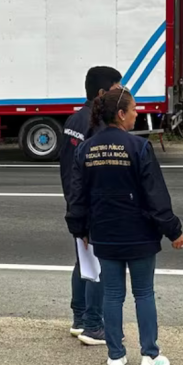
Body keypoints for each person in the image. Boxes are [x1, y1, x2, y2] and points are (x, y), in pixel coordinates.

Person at [67, 87, 183, 365]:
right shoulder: (139, 147)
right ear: (121, 114)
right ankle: (149, 357)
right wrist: (174, 231)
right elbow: (156, 197)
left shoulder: (86, 148)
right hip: (140, 234)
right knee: (144, 293)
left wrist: (80, 228)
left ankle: (115, 357)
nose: (137, 113)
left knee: (112, 295)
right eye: (134, 109)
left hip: (104, 234)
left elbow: (77, 196)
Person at [59, 66, 122, 346]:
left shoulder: (75, 118)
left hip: (77, 202)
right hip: (93, 206)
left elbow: (68, 168)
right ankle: (93, 326)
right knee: (98, 266)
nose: (121, 95)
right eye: (116, 89)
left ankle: (79, 318)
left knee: (83, 261)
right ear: (101, 94)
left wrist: (74, 207)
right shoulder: (97, 126)